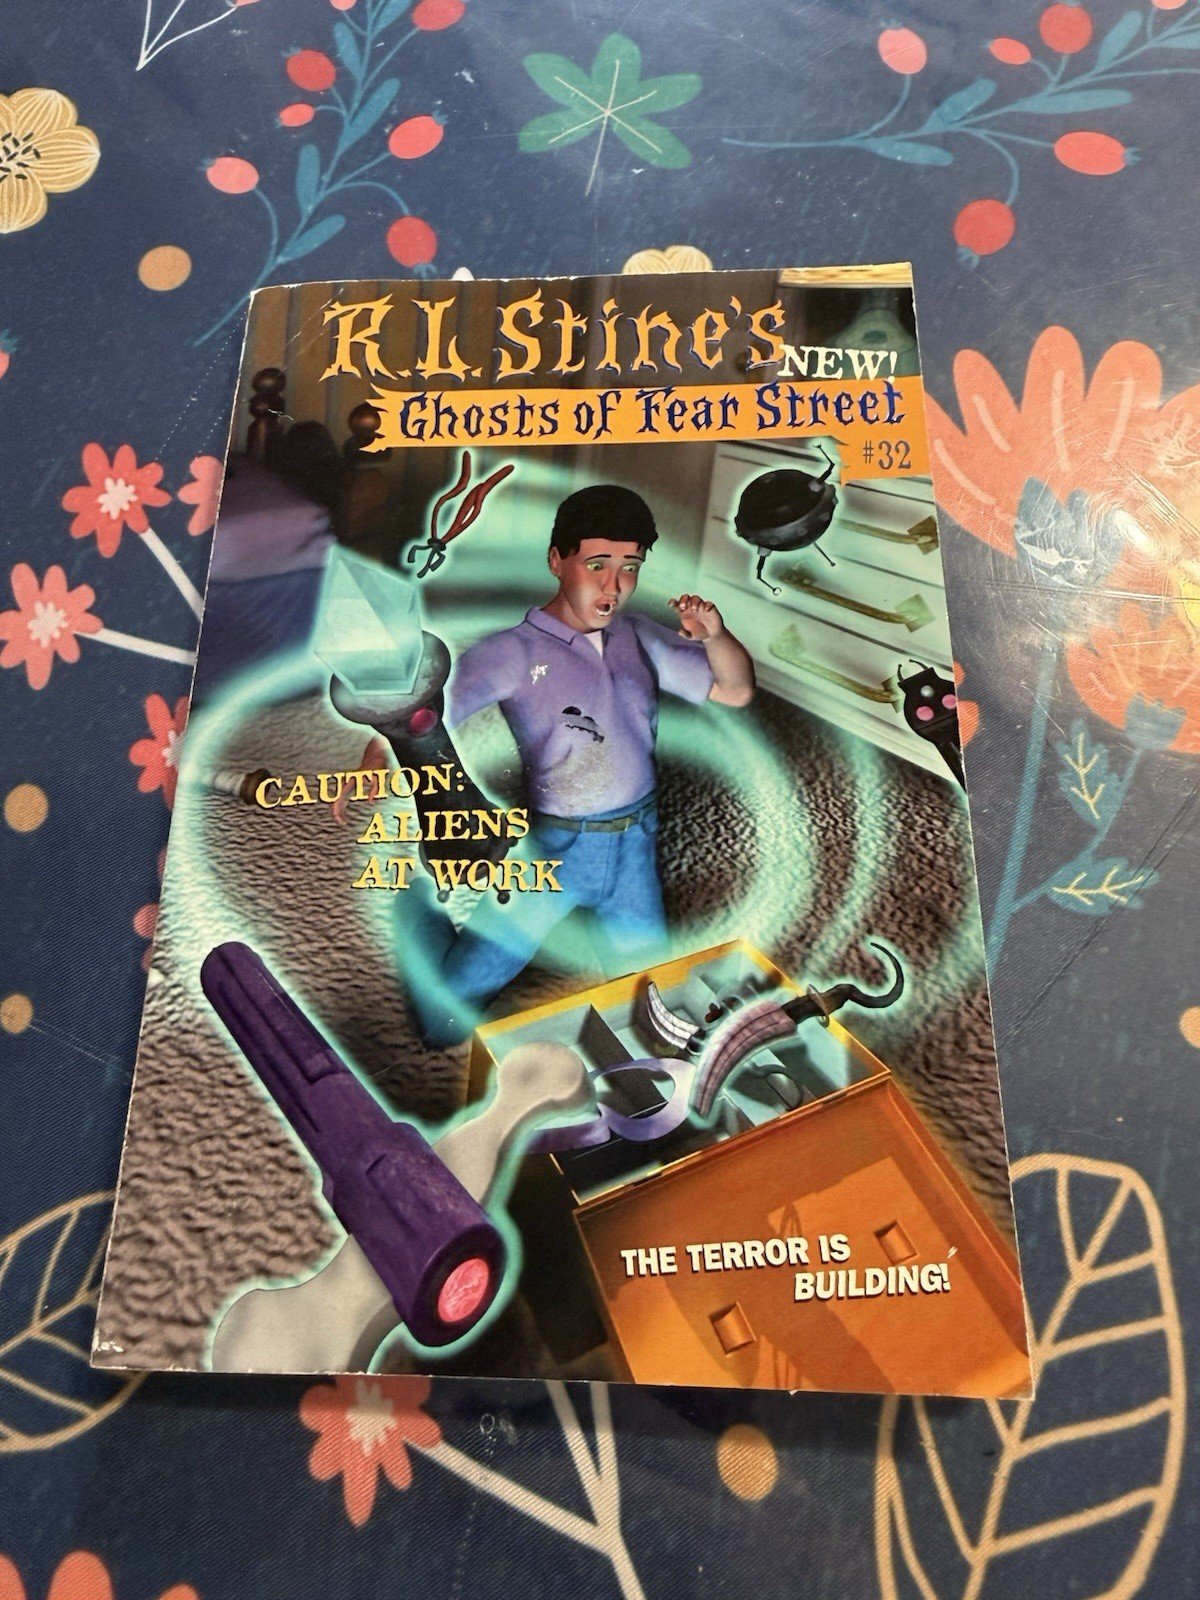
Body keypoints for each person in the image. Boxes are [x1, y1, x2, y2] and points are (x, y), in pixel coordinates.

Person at [403, 483, 755, 1045]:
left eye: (630, 567)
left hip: (636, 847)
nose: (614, 585)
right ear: (556, 561)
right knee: (441, 1023)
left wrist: (717, 637)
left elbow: (735, 691)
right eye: (597, 565)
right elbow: (420, 719)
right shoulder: (510, 652)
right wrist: (375, 756)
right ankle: (415, 914)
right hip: (555, 851)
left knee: (658, 1011)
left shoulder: (639, 636)